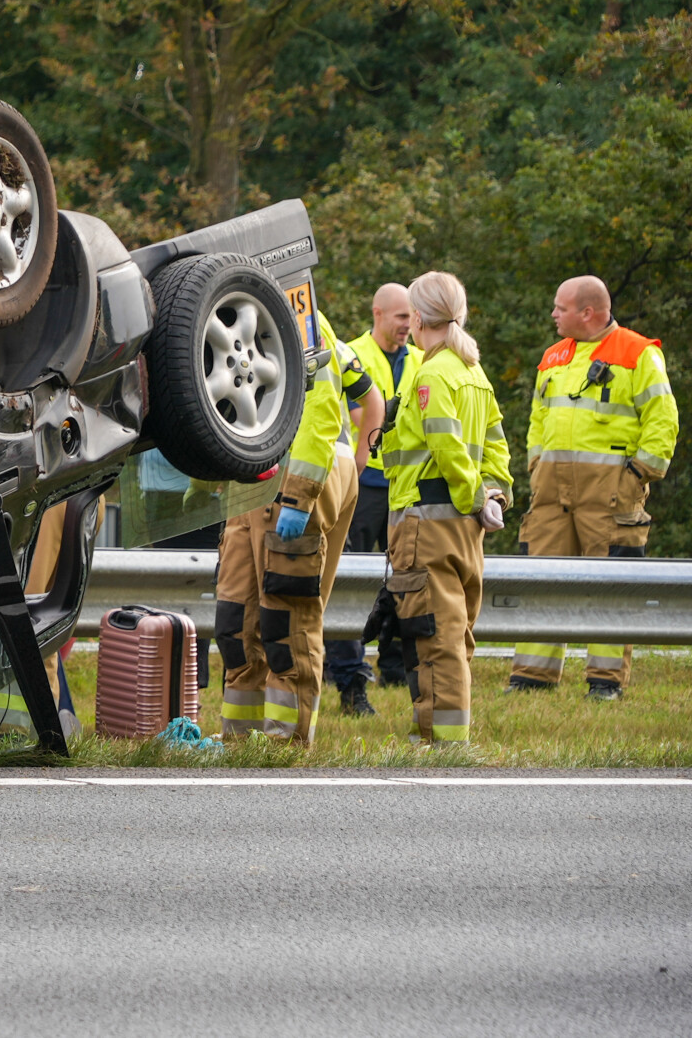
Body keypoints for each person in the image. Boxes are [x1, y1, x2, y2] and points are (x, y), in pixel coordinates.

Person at [507, 276, 678, 700]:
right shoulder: (553, 356)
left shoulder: (638, 353)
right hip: (552, 491)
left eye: (559, 307)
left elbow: (663, 420)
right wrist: (536, 463)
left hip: (611, 492)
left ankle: (605, 683)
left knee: (611, 582)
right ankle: (531, 676)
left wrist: (639, 474)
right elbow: (537, 419)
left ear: (588, 312)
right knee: (542, 576)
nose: (552, 314)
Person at [215, 309, 369, 745]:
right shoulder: (235, 309)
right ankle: (240, 742)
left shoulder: (298, 313)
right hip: (257, 472)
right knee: (236, 619)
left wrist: (301, 495)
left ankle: (286, 743)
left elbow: (320, 411)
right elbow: (369, 396)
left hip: (297, 472)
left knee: (286, 619)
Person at [380, 271, 512, 746]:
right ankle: (446, 736)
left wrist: (475, 494)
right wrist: (493, 495)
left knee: (433, 636)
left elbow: (446, 445)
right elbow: (496, 442)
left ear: (417, 317)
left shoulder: (432, 373)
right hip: (464, 528)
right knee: (455, 635)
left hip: (427, 523)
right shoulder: (472, 371)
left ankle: (440, 742)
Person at [327, 284, 423, 701]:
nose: (407, 326)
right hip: (363, 485)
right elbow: (349, 412)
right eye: (401, 317)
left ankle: (396, 666)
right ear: (378, 313)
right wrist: (362, 459)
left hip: (406, 485)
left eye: (411, 318)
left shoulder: (423, 359)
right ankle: (346, 669)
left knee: (406, 578)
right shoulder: (352, 353)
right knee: (350, 579)